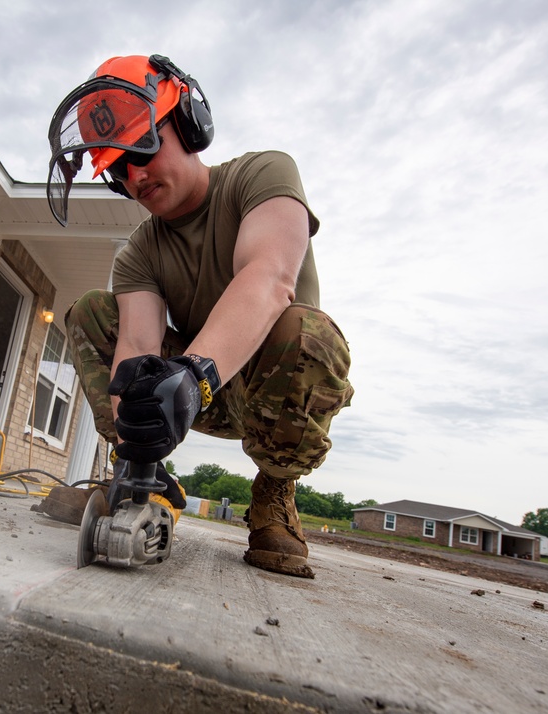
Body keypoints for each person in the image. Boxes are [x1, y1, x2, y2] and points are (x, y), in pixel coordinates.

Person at [43, 54, 353, 578]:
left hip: (266, 388)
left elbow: (270, 277)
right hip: (186, 395)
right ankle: (139, 476)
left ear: (186, 122)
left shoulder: (263, 174)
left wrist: (192, 377)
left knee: (309, 333)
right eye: (118, 168)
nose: (135, 175)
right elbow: (136, 347)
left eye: (143, 148)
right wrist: (137, 445)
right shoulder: (140, 251)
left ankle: (274, 491)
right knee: (94, 312)